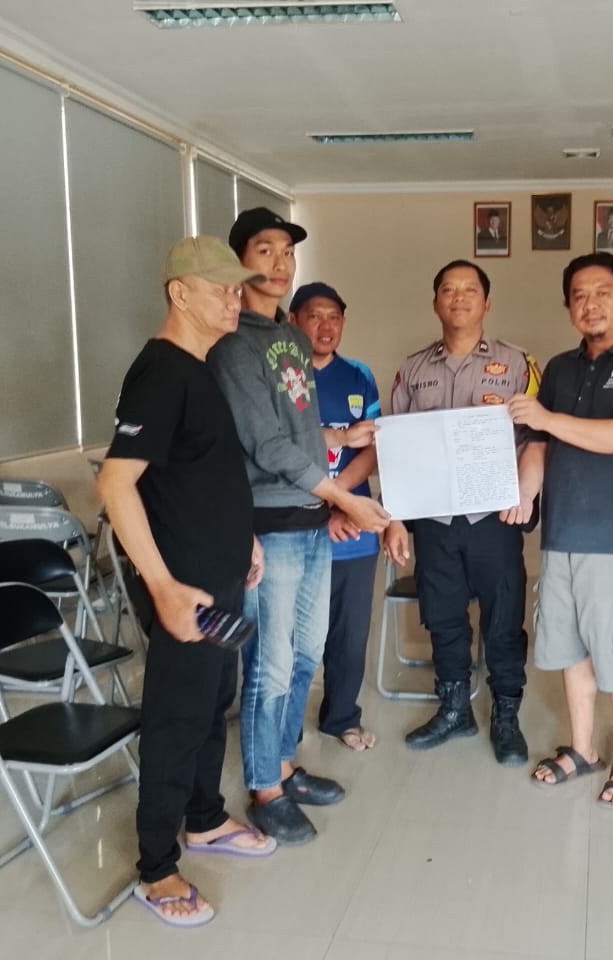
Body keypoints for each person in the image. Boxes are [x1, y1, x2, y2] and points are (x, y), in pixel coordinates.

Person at [97, 236, 276, 929]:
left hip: (218, 574)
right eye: (221, 288)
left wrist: (244, 538)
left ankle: (203, 818)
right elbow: (116, 485)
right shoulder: (161, 372)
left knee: (211, 703)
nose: (236, 299)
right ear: (179, 293)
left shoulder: (199, 370)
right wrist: (165, 588)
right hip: (185, 590)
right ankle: (156, 867)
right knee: (177, 716)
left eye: (237, 288)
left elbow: (201, 475)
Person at [209, 207, 390, 846]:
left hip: (312, 522)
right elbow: (263, 443)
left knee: (306, 653)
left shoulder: (287, 338)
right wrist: (344, 495)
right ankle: (264, 788)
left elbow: (300, 431)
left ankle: (284, 764)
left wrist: (339, 442)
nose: (281, 262)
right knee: (272, 663)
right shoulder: (232, 342)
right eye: (266, 250)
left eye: (288, 252)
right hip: (272, 525)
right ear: (239, 261)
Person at [509, 252, 613, 806]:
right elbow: (539, 444)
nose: (590, 303)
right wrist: (527, 489)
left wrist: (545, 418)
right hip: (562, 535)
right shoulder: (559, 369)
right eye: (578, 295)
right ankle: (582, 748)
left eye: (603, 292)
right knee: (570, 647)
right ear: (568, 308)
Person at [383, 259, 541, 766]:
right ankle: (454, 710)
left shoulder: (518, 365)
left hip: (493, 519)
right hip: (433, 519)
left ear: (487, 303)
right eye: (448, 290)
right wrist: (395, 517)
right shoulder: (412, 370)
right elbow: (395, 447)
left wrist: (527, 492)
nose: (458, 297)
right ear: (435, 303)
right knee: (443, 617)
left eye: (469, 289)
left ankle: (506, 715)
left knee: (503, 618)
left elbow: (537, 438)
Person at [289, 281, 381, 752]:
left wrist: (340, 500)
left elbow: (373, 447)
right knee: (293, 635)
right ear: (293, 322)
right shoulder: (280, 380)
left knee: (349, 632)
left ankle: (341, 716)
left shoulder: (359, 376)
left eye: (334, 317)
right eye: (315, 316)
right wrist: (323, 508)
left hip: (353, 527)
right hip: (295, 525)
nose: (326, 327)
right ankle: (284, 728)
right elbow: (275, 452)